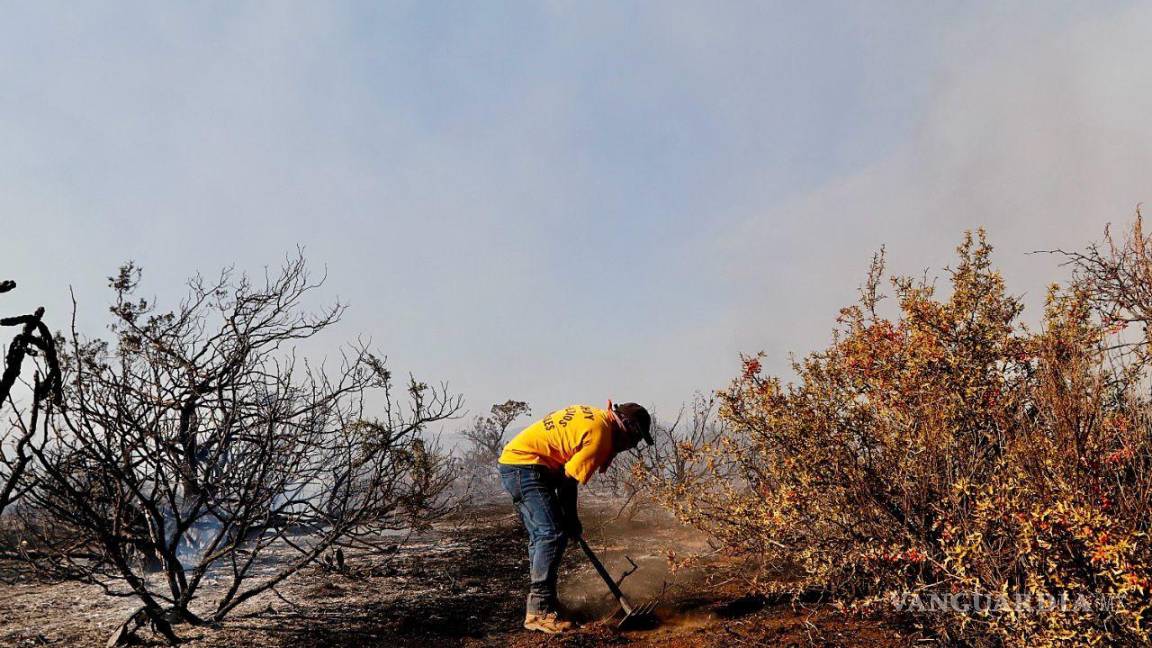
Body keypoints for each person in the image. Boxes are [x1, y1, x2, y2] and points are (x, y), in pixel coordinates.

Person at [497, 400, 653, 634]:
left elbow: (565, 469)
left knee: (543, 536)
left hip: (527, 464)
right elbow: (569, 482)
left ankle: (545, 602)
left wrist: (568, 517)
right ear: (626, 425)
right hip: (525, 467)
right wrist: (571, 519)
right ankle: (539, 612)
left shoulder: (597, 417)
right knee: (552, 535)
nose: (632, 445)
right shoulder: (601, 436)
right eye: (635, 438)